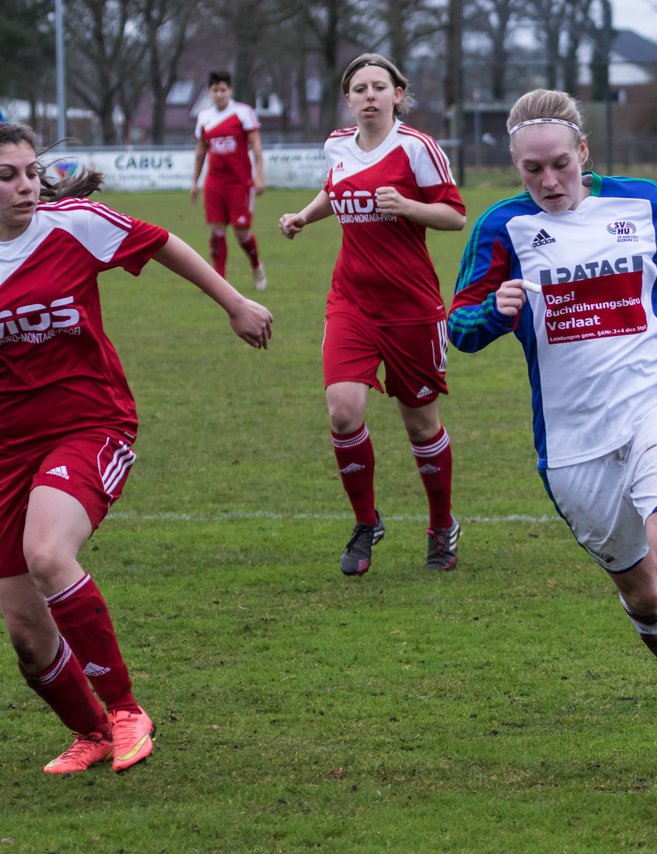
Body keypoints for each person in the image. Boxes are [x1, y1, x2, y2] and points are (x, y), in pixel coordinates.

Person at [448, 89, 657, 758]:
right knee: (642, 593)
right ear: (516, 166)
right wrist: (493, 310)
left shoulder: (639, 202)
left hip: (653, 407)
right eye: (531, 170)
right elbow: (457, 328)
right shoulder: (501, 229)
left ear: (583, 151)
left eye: (559, 165)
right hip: (573, 447)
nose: (548, 181)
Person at [0, 121, 273, 774]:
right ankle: (92, 733)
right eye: (7, 176)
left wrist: (234, 302)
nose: (23, 186)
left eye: (29, 172)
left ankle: (126, 710)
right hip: (10, 445)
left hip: (90, 423)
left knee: (47, 551)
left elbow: (162, 242)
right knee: (26, 633)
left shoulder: (73, 225)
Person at [278, 54, 466, 576]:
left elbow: (454, 215)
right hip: (351, 302)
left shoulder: (417, 147)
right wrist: (304, 216)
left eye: (378, 87)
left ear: (398, 94)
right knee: (342, 410)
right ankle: (366, 523)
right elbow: (334, 190)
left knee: (421, 425)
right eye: (358, 88)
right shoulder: (337, 144)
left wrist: (408, 207)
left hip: (411, 308)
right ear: (348, 98)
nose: (368, 96)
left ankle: (441, 525)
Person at [192, 71, 268, 291]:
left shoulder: (243, 113)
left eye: (223, 89)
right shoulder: (204, 117)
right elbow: (200, 152)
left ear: (230, 90)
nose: (219, 94)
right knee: (216, 230)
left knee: (241, 232)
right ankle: (220, 282)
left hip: (240, 183)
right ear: (209, 92)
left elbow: (256, 146)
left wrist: (260, 176)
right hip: (214, 183)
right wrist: (194, 183)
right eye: (215, 90)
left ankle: (256, 266)